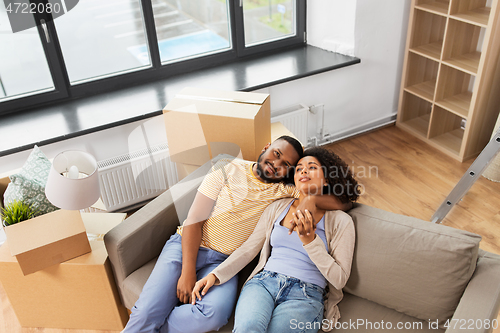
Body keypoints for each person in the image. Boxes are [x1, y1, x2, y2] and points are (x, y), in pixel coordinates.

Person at [122, 137, 351, 333]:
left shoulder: (285, 191)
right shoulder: (227, 167)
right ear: (266, 146)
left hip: (225, 263)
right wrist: (187, 272)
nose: (275, 164)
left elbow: (343, 200)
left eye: (286, 165)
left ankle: (156, 326)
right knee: (145, 313)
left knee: (214, 314)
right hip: (187, 247)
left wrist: (311, 199)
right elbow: (194, 220)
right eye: (276, 154)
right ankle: (149, 321)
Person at [192, 147, 359, 333]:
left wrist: (311, 242)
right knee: (248, 328)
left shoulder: (341, 221)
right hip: (263, 283)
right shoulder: (278, 207)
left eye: (311, 167)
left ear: (327, 177)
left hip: (306, 294)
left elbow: (340, 279)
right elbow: (249, 248)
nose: (303, 171)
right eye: (298, 169)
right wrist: (215, 275)